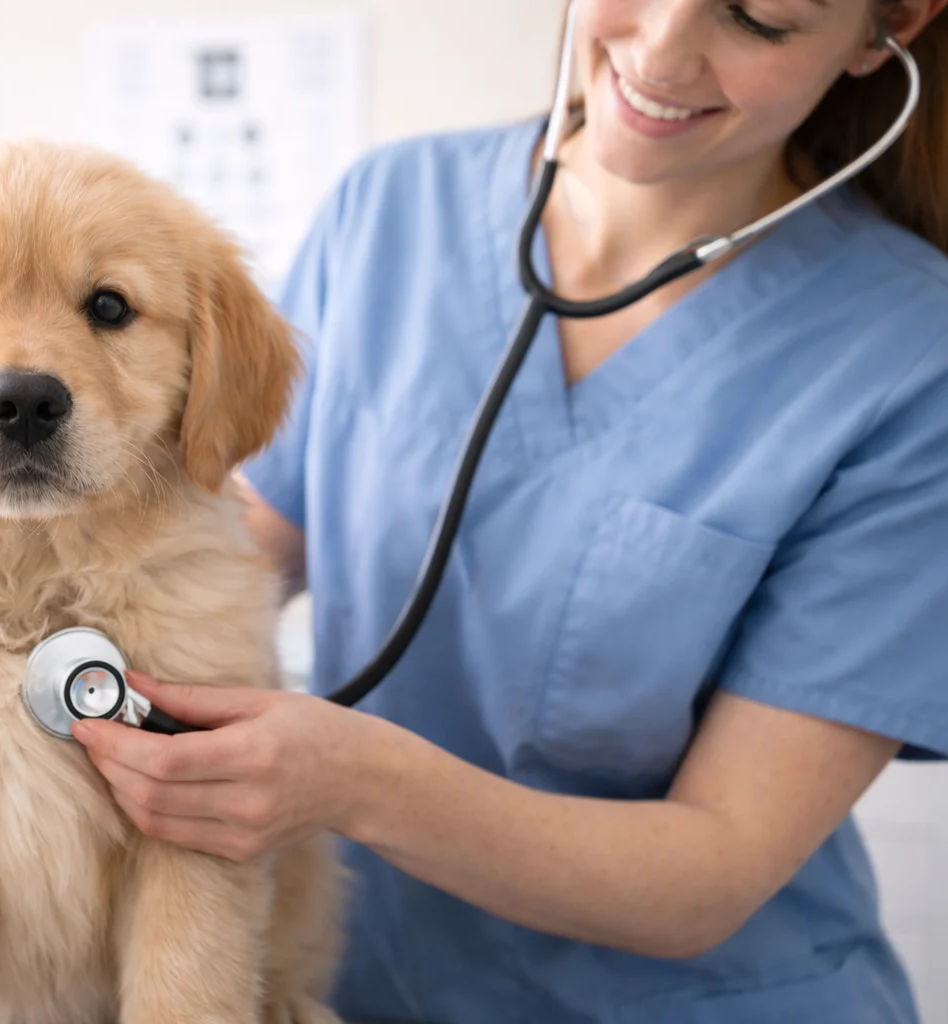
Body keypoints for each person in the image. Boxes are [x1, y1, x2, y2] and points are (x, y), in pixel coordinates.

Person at [70, 1, 948, 1020]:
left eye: (757, 17)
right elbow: (240, 545)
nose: (661, 52)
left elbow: (713, 871)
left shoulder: (910, 358)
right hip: (367, 987)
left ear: (887, 27)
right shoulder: (389, 210)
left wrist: (356, 781)